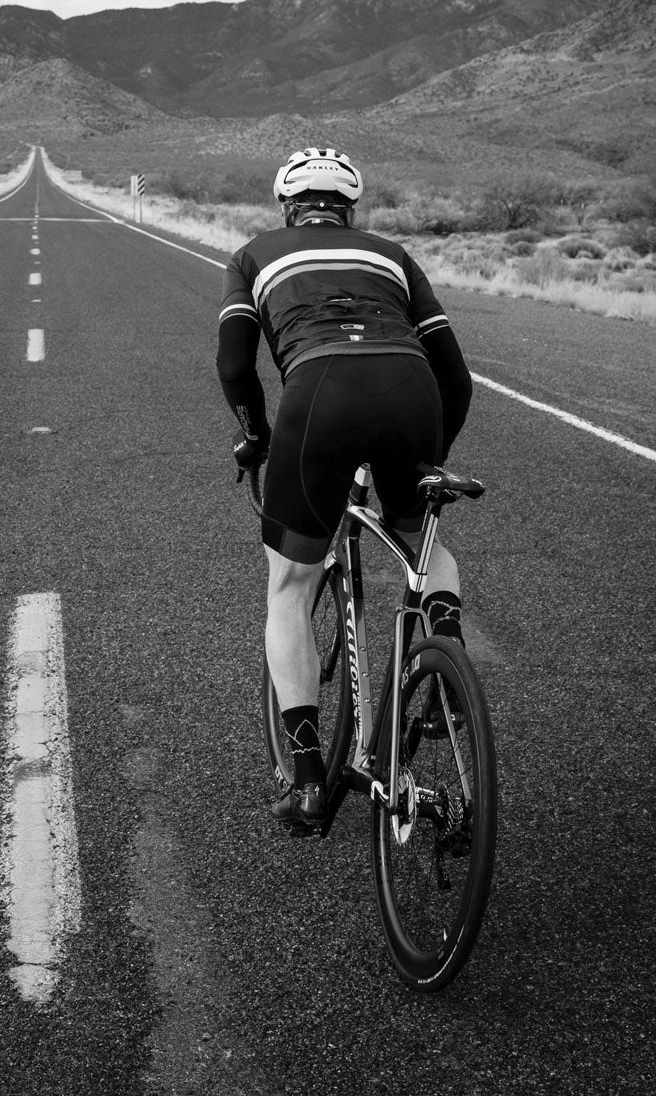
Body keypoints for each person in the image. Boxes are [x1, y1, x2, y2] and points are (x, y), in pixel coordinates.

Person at [216, 147, 473, 833]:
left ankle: (305, 779)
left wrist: (256, 434)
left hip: (319, 395)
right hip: (411, 390)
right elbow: (457, 379)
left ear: (286, 206)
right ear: (350, 208)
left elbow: (235, 364)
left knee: (291, 585)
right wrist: (426, 466)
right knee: (422, 541)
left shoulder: (253, 255)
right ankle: (445, 659)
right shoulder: (390, 253)